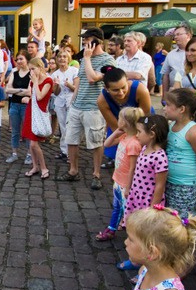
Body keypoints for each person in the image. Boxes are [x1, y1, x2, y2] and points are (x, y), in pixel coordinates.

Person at [57, 27, 117, 189]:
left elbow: (93, 78)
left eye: (87, 39)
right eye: (84, 39)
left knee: (96, 142)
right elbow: (81, 79)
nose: (84, 42)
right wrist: (74, 99)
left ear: (98, 41)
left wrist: (88, 58)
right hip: (77, 106)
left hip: (94, 108)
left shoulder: (108, 60)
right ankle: (73, 171)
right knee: (71, 139)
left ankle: (96, 175)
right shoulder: (85, 58)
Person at [112, 114, 169, 271]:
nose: (136, 135)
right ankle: (136, 259)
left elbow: (160, 185)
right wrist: (129, 188)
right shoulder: (144, 149)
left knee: (146, 235)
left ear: (152, 135)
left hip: (147, 201)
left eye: (139, 132)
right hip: (136, 197)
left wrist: (153, 208)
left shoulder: (159, 156)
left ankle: (145, 267)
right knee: (135, 230)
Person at [96, 106, 144, 243]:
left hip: (125, 184)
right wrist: (116, 132)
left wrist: (128, 187)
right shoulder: (124, 136)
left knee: (126, 210)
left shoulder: (134, 143)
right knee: (117, 207)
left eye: (119, 118)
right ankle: (112, 228)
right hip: (118, 180)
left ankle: (132, 236)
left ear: (125, 123)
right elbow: (107, 144)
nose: (117, 120)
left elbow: (133, 168)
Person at [163, 88, 196, 217]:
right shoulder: (171, 125)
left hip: (185, 186)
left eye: (168, 105)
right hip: (169, 181)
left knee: (182, 220)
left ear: (182, 109)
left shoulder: (193, 132)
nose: (164, 108)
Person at [97, 67, 153, 171]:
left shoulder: (141, 90)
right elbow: (116, 127)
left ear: (127, 81)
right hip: (120, 122)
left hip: (143, 120)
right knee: (118, 150)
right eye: (115, 90)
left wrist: (137, 139)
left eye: (123, 87)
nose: (121, 92)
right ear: (106, 88)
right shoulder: (102, 100)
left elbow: (146, 118)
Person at [21, 57, 53, 179]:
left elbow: (40, 96)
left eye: (33, 69)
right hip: (31, 110)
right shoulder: (33, 80)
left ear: (40, 67)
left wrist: (34, 82)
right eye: (30, 69)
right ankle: (35, 166)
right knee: (30, 142)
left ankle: (44, 167)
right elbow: (32, 95)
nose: (31, 72)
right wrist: (27, 98)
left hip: (40, 112)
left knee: (34, 143)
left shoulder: (48, 81)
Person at [51, 50, 78, 161]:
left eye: (64, 57)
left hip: (71, 101)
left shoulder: (74, 71)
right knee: (62, 126)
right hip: (60, 102)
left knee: (70, 126)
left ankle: (71, 152)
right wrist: (57, 85)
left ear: (68, 59)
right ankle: (64, 151)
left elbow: (77, 88)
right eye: (60, 57)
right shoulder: (55, 74)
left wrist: (69, 85)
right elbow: (56, 92)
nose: (62, 59)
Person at [5, 52, 31, 164]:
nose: (19, 61)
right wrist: (21, 90)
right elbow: (7, 89)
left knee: (27, 131)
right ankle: (14, 153)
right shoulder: (14, 72)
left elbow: (29, 92)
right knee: (15, 131)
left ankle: (29, 154)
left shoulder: (31, 73)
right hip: (14, 104)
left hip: (26, 106)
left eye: (21, 59)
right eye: (17, 59)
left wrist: (15, 91)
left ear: (27, 60)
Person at [161, 25, 191, 98]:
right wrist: (164, 95)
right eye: (174, 35)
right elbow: (165, 75)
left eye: (178, 34)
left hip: (193, 94)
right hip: (175, 95)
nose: (175, 37)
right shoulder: (170, 54)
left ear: (188, 35)